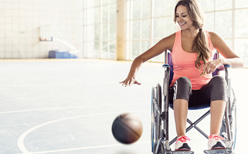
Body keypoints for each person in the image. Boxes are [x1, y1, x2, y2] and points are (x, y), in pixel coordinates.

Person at [120, 0, 244, 151]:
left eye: (183, 15)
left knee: (219, 80)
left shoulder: (211, 37)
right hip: (180, 94)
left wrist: (220, 61)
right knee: (183, 81)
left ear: (194, 15)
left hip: (206, 94)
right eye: (177, 15)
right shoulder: (173, 39)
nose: (179, 19)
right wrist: (132, 74)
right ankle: (181, 139)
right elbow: (141, 58)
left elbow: (240, 61)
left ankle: (214, 138)